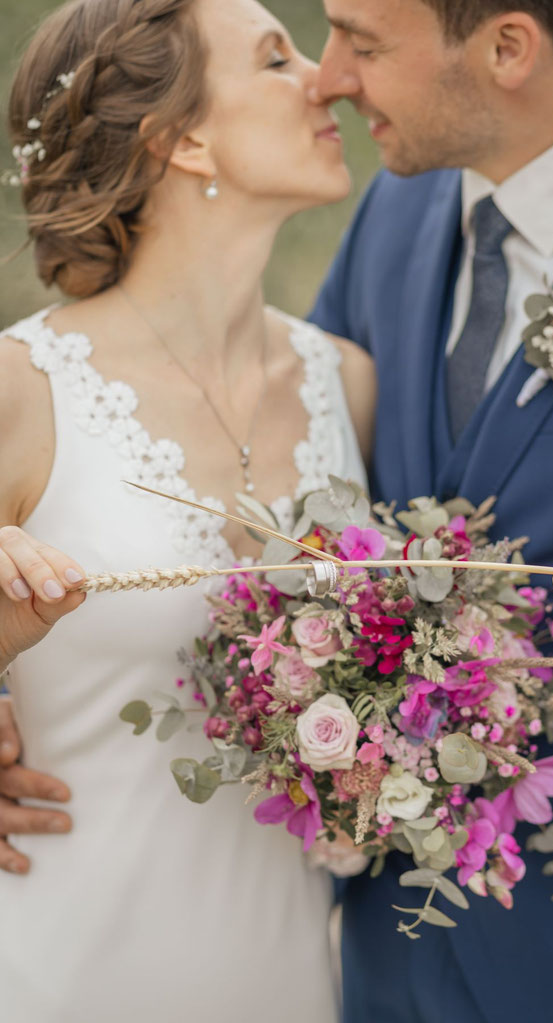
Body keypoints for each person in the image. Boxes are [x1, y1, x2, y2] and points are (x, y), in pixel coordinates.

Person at [307, 1, 553, 1021]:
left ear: (507, 47)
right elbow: (285, 477)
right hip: (388, 957)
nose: (327, 76)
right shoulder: (399, 209)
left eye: (364, 42)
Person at [0, 0, 374, 1019]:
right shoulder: (21, 387)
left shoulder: (347, 383)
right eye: (275, 57)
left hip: (297, 977)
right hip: (59, 973)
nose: (326, 78)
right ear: (181, 137)